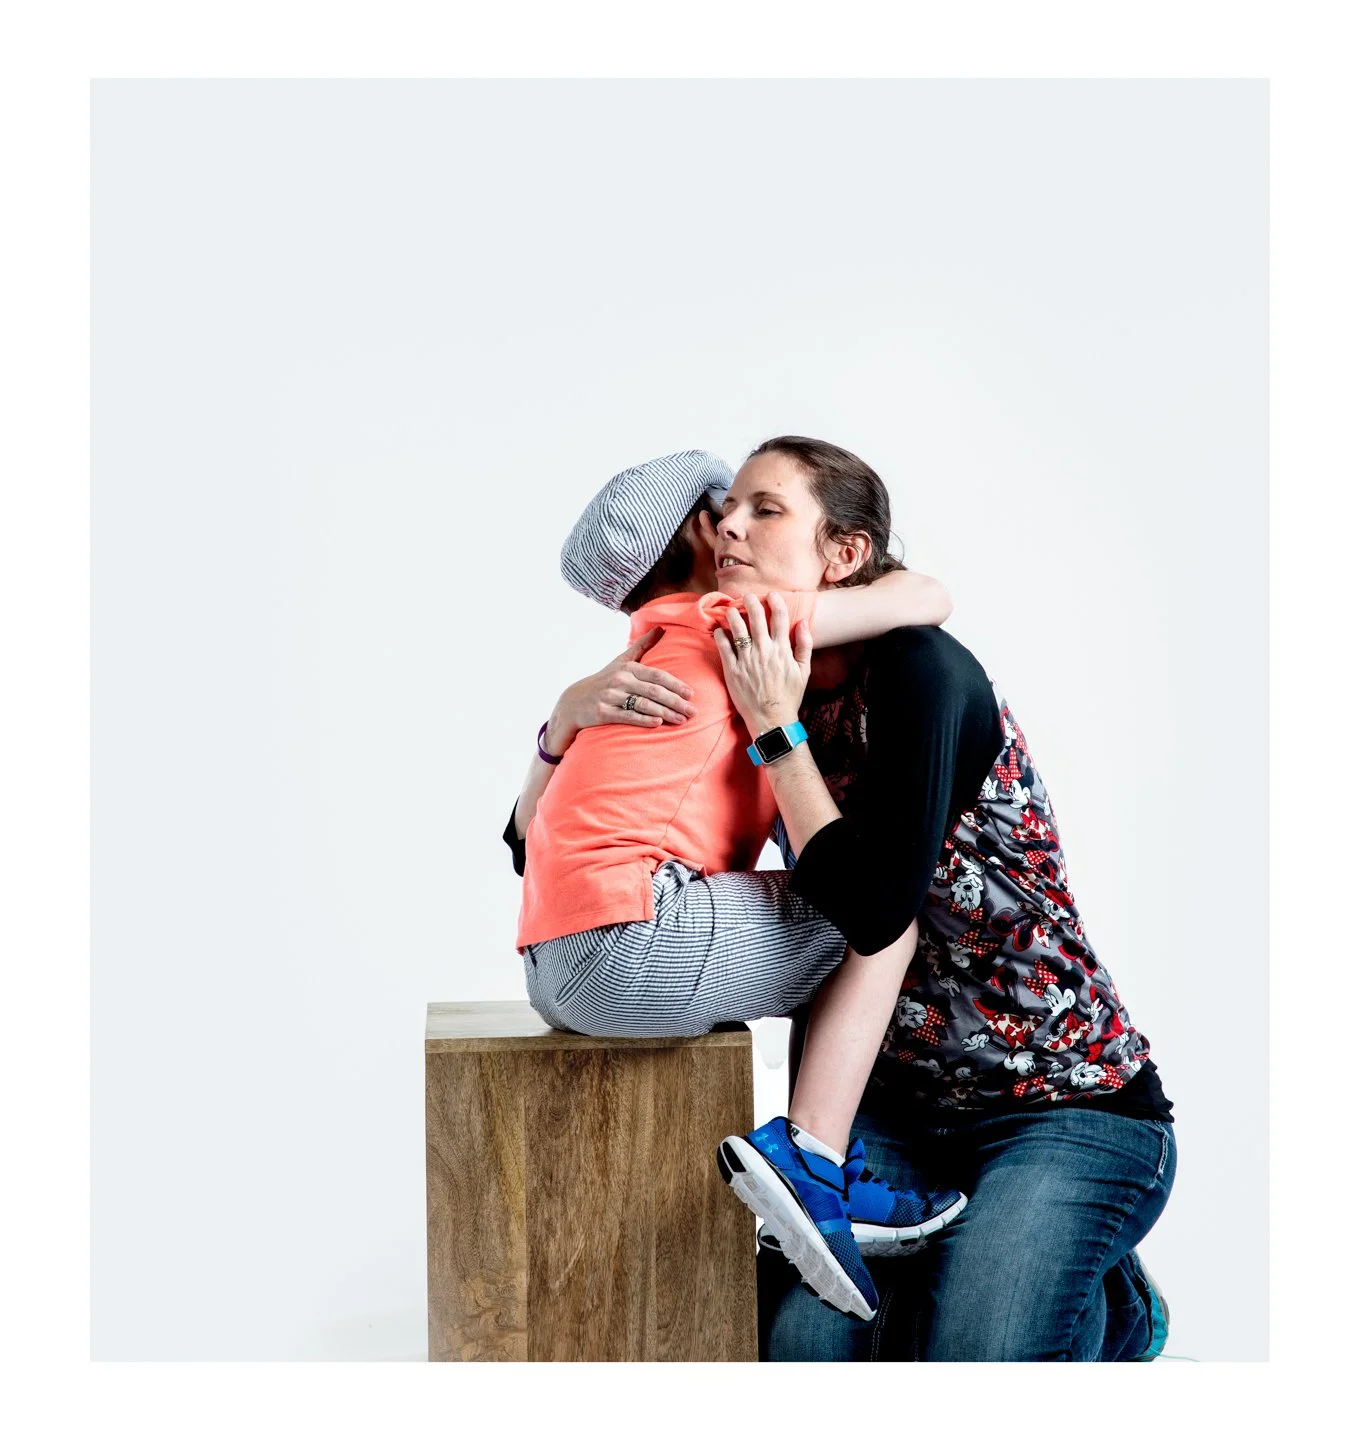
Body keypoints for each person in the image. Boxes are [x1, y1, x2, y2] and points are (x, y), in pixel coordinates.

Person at [509, 436, 1177, 1362]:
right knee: (801, 1352)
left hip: (1061, 1101)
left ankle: (1114, 1302)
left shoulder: (918, 671)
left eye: (764, 510)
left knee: (971, 1354)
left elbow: (874, 908)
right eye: (724, 510)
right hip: (895, 1102)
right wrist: (567, 715)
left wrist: (778, 736)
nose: (732, 525)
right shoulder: (734, 662)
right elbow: (540, 841)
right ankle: (921, 1231)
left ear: (845, 557)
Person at [506, 449, 968, 1323]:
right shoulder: (733, 620)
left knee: (822, 884)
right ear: (696, 532)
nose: (735, 527)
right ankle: (815, 1161)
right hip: (630, 935)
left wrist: (559, 725)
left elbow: (523, 836)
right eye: (725, 509)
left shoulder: (646, 650)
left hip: (552, 963)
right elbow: (926, 598)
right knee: (876, 914)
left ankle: (825, 1161)